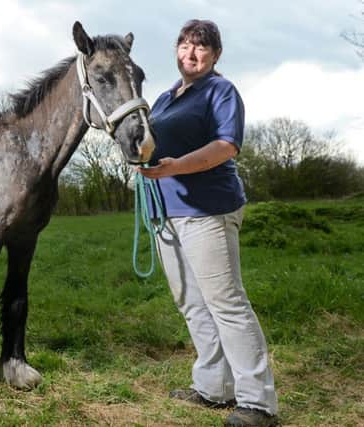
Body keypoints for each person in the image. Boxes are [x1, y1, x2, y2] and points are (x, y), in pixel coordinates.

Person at [137, 20, 279, 427]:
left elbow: (226, 145)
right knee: (192, 304)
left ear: (215, 55)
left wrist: (176, 167)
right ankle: (215, 387)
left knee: (226, 303)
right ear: (176, 50)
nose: (191, 53)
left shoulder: (221, 91)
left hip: (208, 210)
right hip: (166, 212)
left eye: (201, 47)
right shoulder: (164, 98)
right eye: (185, 45)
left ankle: (257, 402)